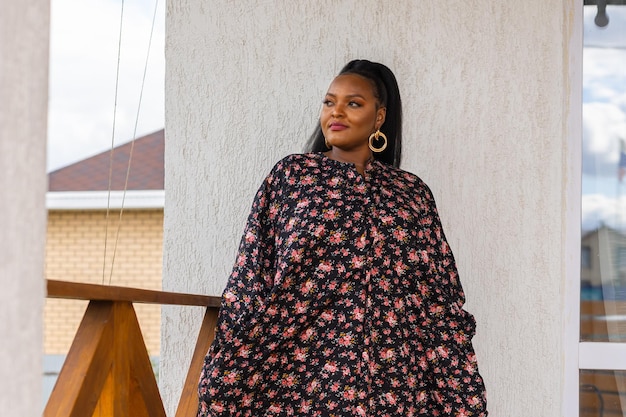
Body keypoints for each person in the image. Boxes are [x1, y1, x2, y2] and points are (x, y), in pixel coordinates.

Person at [198, 59, 488, 416]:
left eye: (353, 103)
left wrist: (460, 388)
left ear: (379, 117)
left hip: (394, 381)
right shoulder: (293, 177)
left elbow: (438, 298)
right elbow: (251, 273)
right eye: (329, 101)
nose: (336, 112)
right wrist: (229, 364)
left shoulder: (411, 194)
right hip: (299, 376)